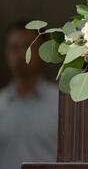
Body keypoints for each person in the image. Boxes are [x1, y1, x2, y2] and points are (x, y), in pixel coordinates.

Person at [0, 22, 58, 169]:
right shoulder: (1, 103)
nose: (20, 54)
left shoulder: (61, 104)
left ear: (42, 52)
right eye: (14, 47)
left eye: (27, 46)